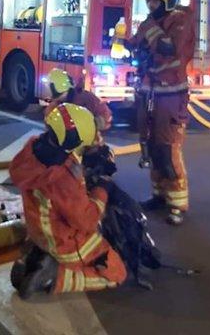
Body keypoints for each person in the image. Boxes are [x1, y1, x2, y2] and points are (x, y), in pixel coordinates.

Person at [9, 103, 127, 299]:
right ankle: (56, 277)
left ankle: (37, 258)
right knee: (117, 273)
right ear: (74, 141)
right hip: (64, 241)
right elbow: (87, 220)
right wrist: (102, 187)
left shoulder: (33, 148)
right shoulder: (64, 176)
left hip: (37, 231)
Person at [124, 0, 195, 226]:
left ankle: (177, 204)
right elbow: (134, 45)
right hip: (149, 91)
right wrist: (122, 39)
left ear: (167, 2)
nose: (150, 6)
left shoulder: (181, 21)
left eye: (154, 2)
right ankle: (159, 195)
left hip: (170, 95)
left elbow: (170, 47)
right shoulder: (149, 22)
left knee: (167, 148)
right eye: (148, 2)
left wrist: (150, 29)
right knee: (150, 145)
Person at [45, 68, 112, 135]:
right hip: (72, 142)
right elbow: (50, 127)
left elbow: (106, 117)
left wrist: (92, 124)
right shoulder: (54, 107)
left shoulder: (88, 99)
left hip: (87, 141)